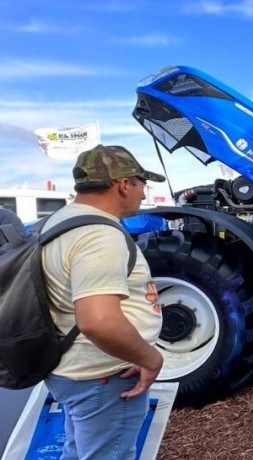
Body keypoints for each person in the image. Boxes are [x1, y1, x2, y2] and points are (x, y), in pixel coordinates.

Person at [41, 144, 165, 459]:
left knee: (77, 451)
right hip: (104, 376)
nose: (143, 192)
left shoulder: (60, 222)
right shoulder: (99, 236)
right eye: (142, 183)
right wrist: (150, 359)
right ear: (124, 184)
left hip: (75, 369)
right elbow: (99, 321)